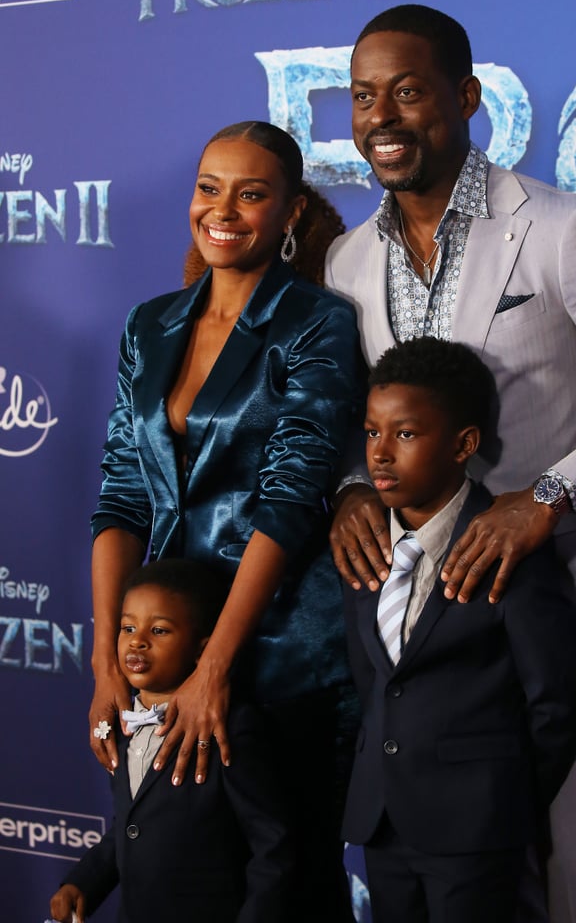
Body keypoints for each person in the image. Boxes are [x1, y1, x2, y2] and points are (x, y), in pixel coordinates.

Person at [324, 4, 576, 923]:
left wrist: (547, 499)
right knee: (456, 879)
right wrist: (348, 485)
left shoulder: (562, 228)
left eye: (409, 91)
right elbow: (366, 417)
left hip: (566, 604)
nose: (382, 117)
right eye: (362, 96)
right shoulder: (344, 261)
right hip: (428, 639)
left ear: (465, 98)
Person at [88, 121, 364, 922]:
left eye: (251, 194)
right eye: (210, 187)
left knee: (290, 879)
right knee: (185, 874)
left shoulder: (317, 321)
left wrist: (215, 670)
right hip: (170, 647)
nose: (224, 209)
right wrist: (110, 659)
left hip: (281, 653)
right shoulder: (151, 324)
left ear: (288, 214)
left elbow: (288, 499)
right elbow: (121, 497)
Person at [341, 337, 576, 923]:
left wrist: (501, 803)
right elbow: (371, 684)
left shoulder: (508, 547)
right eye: (372, 432)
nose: (379, 454)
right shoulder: (363, 545)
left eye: (404, 434)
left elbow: (557, 699)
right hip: (381, 822)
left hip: (478, 832)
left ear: (463, 445)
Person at [50, 559, 293, 923]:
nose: (138, 641)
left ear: (201, 649)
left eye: (160, 630)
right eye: (127, 627)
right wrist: (82, 883)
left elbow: (273, 845)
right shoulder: (118, 725)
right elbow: (130, 826)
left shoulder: (231, 729)